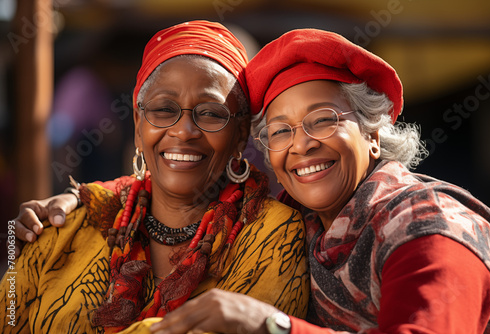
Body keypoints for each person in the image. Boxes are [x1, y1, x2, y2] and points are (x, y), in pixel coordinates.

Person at [143, 28, 490, 333]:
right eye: (281, 131)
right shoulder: (288, 223)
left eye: (323, 120)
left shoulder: (428, 225)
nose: (301, 144)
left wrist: (271, 324)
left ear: (373, 133)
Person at [0, 21, 309, 333]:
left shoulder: (274, 235)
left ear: (241, 134)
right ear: (137, 125)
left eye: (211, 113)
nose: (184, 131)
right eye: (163, 109)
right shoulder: (67, 225)